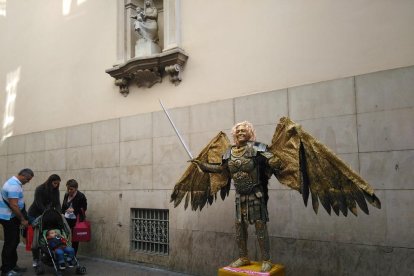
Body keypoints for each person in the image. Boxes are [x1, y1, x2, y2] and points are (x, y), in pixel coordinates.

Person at [191, 121, 282, 272]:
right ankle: (243, 257)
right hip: (240, 195)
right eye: (238, 131)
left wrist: (273, 161)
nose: (240, 133)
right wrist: (203, 166)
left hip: (256, 194)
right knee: (239, 227)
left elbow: (276, 162)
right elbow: (221, 170)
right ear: (234, 134)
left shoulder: (258, 148)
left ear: (250, 133)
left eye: (243, 131)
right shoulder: (229, 152)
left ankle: (266, 259)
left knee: (260, 226)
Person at [0, 168, 34, 276]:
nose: (28, 181)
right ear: (23, 175)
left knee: (14, 242)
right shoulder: (14, 185)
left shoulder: (14, 182)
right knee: (10, 243)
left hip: (9, 216)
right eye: (28, 179)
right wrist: (23, 219)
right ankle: (6, 270)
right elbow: (14, 205)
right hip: (9, 217)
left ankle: (12, 265)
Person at [28, 174, 62, 267]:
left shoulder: (56, 191)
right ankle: (35, 258)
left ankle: (47, 256)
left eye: (58, 184)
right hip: (35, 215)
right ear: (50, 181)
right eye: (55, 183)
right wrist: (46, 214)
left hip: (47, 215)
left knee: (46, 235)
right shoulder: (40, 189)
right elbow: (38, 204)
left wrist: (59, 214)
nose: (56, 185)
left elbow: (57, 204)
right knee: (36, 237)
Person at [61, 179, 87, 255]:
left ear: (76, 188)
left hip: (76, 221)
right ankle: (66, 253)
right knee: (65, 237)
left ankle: (73, 255)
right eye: (68, 189)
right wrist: (62, 212)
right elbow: (63, 206)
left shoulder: (81, 196)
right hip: (66, 220)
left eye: (71, 189)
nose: (69, 190)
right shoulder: (66, 195)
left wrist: (74, 209)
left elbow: (84, 208)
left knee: (75, 238)